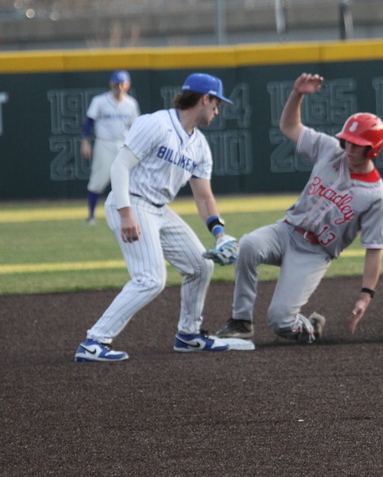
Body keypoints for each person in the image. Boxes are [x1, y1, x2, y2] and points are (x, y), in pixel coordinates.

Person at [75, 73, 253, 362]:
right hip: (131, 201)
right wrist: (126, 213)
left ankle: (189, 335)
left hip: (158, 208)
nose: (217, 110)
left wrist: (219, 233)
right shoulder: (156, 123)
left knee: (200, 266)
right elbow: (119, 167)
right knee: (150, 278)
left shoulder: (200, 146)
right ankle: (94, 342)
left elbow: (204, 197)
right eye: (216, 103)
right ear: (204, 99)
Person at [215, 72, 383, 344]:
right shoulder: (330, 149)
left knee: (280, 321)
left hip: (315, 252)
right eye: (347, 141)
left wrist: (366, 295)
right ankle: (241, 320)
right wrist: (297, 94)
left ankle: (309, 327)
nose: (350, 148)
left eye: (359, 145)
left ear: (373, 149)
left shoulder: (375, 195)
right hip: (286, 231)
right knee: (248, 244)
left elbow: (374, 248)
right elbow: (289, 127)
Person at [81, 69, 141, 225]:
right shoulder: (100, 101)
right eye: (116, 83)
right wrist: (85, 142)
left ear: (127, 85)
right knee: (98, 180)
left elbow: (136, 127)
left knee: (130, 181)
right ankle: (91, 215)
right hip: (104, 143)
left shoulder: (131, 104)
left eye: (122, 83)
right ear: (110, 84)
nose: (119, 87)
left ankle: (133, 215)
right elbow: (88, 122)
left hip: (125, 144)